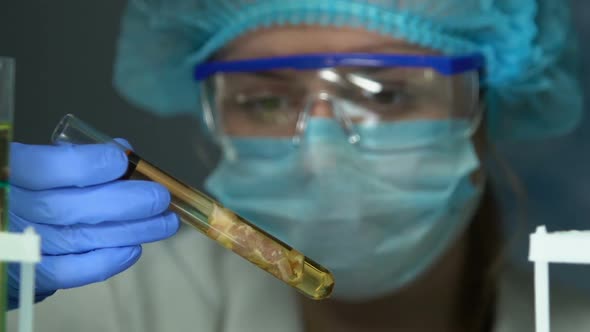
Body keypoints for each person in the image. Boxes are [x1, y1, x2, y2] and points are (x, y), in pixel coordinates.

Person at [6, 0, 589, 331]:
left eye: (384, 95)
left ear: (485, 111)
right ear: (212, 124)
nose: (320, 152)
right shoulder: (103, 312)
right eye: (265, 101)